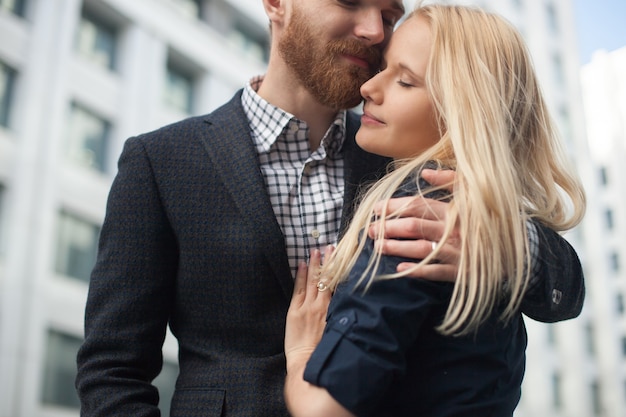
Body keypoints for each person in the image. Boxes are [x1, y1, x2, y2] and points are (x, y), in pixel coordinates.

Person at [75, 0, 584, 416]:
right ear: (276, 4)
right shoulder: (161, 160)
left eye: (388, 15)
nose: (373, 30)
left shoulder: (410, 152)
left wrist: (500, 243)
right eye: (350, 1)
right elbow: (112, 371)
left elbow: (564, 291)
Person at [284, 4, 586, 417]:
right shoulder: (455, 196)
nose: (369, 87)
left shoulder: (415, 217)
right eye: (384, 67)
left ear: (463, 115)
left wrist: (301, 354)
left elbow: (323, 410)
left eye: (406, 81)